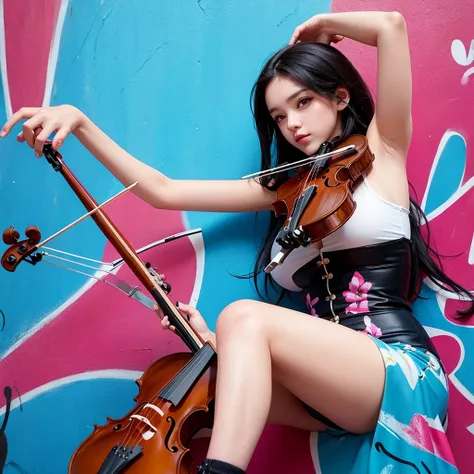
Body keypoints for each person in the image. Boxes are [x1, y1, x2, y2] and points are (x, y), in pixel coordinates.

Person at [2, 10, 472, 474]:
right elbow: (162, 192)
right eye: (280, 115)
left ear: (340, 97)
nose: (292, 123)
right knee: (214, 373)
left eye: (304, 102)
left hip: (398, 368)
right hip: (331, 392)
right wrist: (80, 124)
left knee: (243, 316)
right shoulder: (285, 192)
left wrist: (326, 28)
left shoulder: (383, 153)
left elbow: (391, 26)